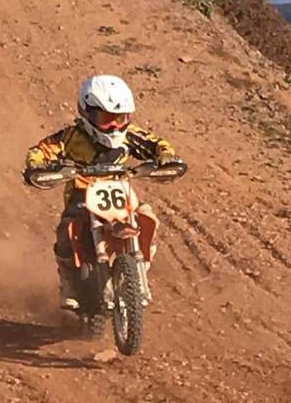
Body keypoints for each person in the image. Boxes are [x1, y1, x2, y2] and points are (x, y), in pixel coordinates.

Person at [24, 75, 180, 310]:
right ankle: (68, 281)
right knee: (66, 230)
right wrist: (37, 165)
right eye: (107, 119)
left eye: (120, 118)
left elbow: (157, 143)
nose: (115, 126)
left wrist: (165, 156)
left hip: (120, 192)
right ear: (87, 113)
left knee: (148, 217)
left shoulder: (130, 135)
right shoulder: (71, 137)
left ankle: (139, 268)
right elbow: (41, 151)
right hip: (82, 194)